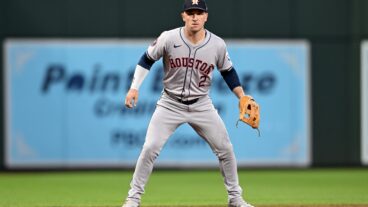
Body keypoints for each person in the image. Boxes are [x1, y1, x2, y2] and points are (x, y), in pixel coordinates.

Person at [122, 0, 255, 206]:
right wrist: (134, 87)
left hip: (201, 103)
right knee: (150, 148)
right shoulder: (168, 37)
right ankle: (133, 200)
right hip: (170, 103)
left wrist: (242, 95)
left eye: (199, 13)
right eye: (190, 12)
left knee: (226, 149)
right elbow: (146, 59)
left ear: (206, 17)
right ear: (183, 16)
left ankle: (235, 199)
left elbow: (228, 72)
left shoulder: (217, 44)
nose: (195, 17)